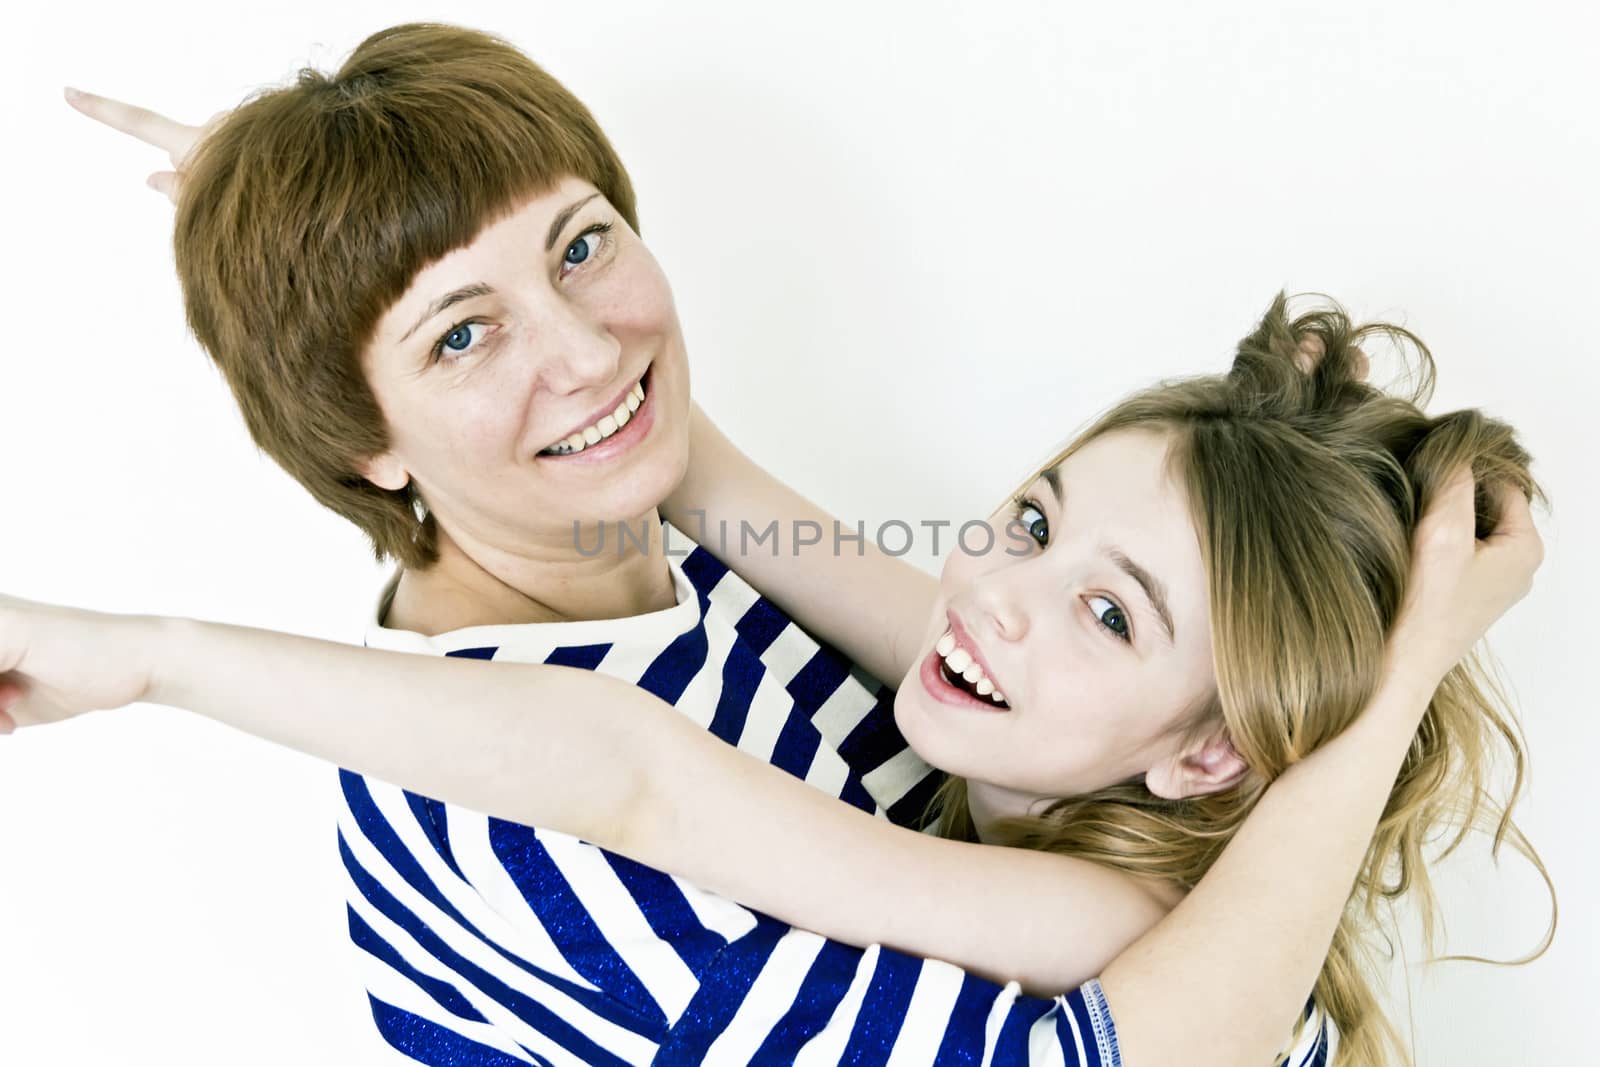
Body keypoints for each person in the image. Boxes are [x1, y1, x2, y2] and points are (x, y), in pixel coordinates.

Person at [38, 21, 1545, 1066]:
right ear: (354, 441)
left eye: (581, 244)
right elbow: (626, 770)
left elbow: (688, 494)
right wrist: (299, 235)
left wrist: (333, 225)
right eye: (465, 336)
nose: (582, 352)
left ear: (1217, 751)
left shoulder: (682, 539)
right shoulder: (502, 849)